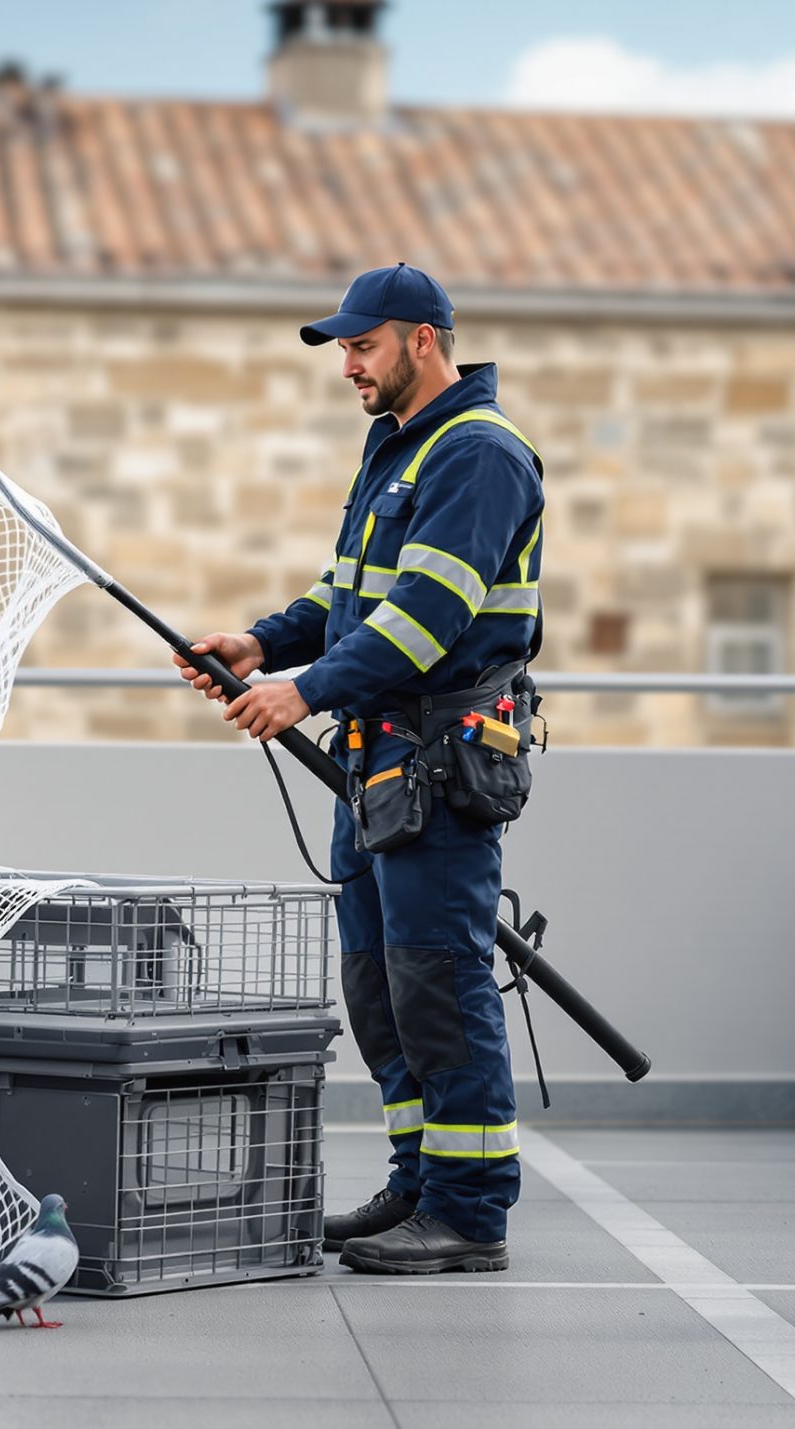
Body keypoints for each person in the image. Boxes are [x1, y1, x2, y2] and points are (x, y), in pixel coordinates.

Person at [175, 263, 543, 1274]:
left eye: (363, 345)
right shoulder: (400, 449)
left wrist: (304, 691)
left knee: (440, 982)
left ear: (424, 339)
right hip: (376, 764)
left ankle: (470, 1211)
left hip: (439, 764)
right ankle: (417, 1182)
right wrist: (261, 642)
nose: (348, 365)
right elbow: (346, 596)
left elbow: (426, 618)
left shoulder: (478, 454)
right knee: (381, 988)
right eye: (343, 348)